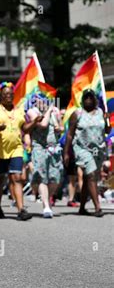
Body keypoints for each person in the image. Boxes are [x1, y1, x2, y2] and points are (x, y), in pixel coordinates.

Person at [0, 82, 42, 221]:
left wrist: (35, 122)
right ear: (1, 96)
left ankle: (21, 209)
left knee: (17, 178)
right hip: (0, 151)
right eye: (5, 94)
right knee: (0, 180)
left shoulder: (19, 111)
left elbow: (25, 128)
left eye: (11, 94)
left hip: (16, 148)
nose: (9, 96)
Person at [63, 89, 111, 217]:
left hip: (98, 150)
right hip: (82, 149)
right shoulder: (77, 114)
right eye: (86, 97)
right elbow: (69, 135)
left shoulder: (101, 112)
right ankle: (97, 207)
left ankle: (82, 208)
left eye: (91, 97)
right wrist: (66, 153)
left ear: (95, 99)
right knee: (90, 175)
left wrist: (107, 121)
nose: (88, 100)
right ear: (82, 100)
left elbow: (107, 130)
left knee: (88, 178)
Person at [26, 93, 63, 218]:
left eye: (43, 101)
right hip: (39, 148)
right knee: (42, 177)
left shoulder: (55, 111)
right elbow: (43, 125)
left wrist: (59, 127)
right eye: (38, 101)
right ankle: (46, 206)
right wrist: (48, 111)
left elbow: (61, 126)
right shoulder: (32, 112)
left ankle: (48, 198)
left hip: (54, 148)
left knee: (55, 178)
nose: (41, 103)